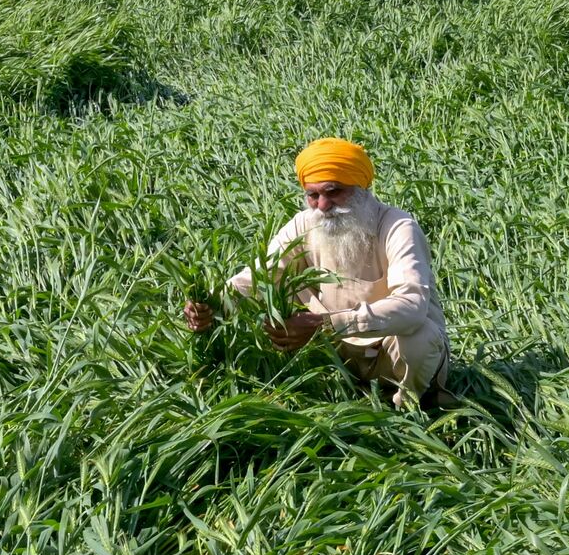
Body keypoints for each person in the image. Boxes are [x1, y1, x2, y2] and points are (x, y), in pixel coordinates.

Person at [183, 137, 450, 408]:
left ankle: (409, 412)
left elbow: (412, 306)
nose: (322, 206)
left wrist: (326, 325)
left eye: (333, 192)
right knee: (277, 304)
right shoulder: (304, 224)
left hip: (386, 355)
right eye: (313, 195)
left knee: (420, 337)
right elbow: (258, 278)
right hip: (334, 355)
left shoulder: (397, 227)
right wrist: (212, 304)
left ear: (361, 189)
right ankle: (328, 398)